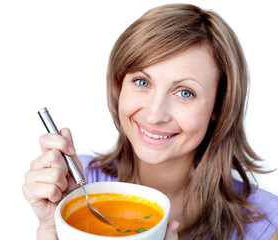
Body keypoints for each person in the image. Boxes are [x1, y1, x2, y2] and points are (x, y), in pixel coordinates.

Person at [22, 3, 278, 240]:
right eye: (142, 82)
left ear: (218, 106)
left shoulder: (267, 225)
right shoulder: (74, 186)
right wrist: (52, 229)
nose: (155, 115)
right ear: (119, 85)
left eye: (185, 93)